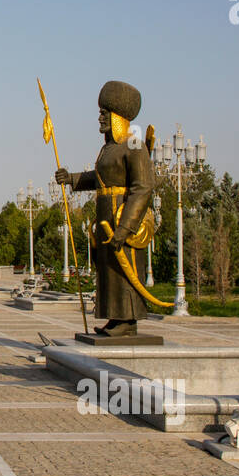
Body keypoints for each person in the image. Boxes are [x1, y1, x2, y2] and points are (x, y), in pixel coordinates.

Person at [54, 81, 155, 337]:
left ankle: (128, 321)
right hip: (105, 216)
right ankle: (115, 318)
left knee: (125, 268)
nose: (100, 118)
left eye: (104, 113)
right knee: (109, 271)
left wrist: (126, 227)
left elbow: (143, 187)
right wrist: (73, 179)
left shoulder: (133, 145)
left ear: (118, 116)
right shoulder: (108, 149)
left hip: (123, 215)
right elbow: (100, 178)